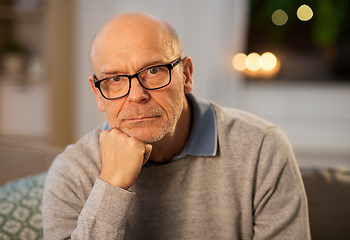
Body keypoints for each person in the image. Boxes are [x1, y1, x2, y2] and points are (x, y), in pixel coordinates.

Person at [42, 12, 311, 239]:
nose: (137, 94)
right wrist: (111, 185)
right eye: (115, 79)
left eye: (154, 70)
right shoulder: (71, 171)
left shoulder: (262, 148)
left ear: (186, 75)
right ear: (98, 93)